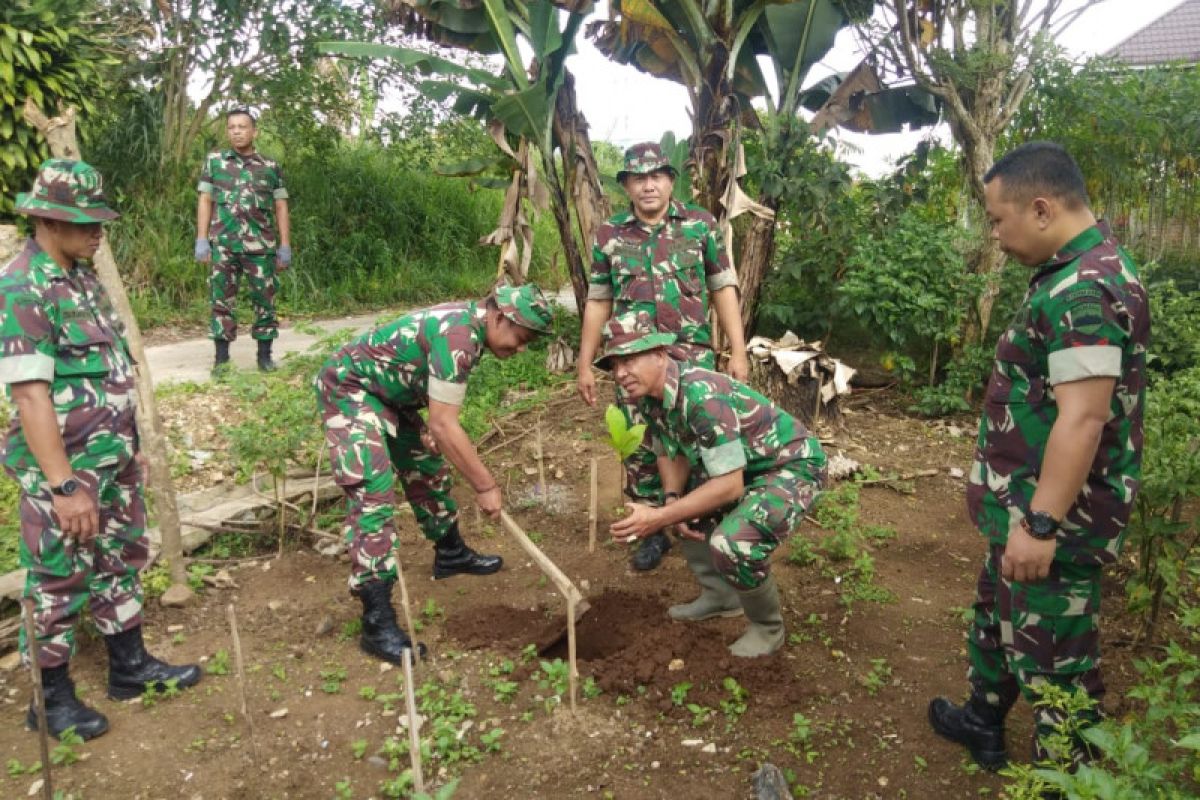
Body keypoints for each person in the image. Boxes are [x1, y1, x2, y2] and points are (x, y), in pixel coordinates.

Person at [928, 142, 1151, 770]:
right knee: (997, 618)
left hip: (1056, 519)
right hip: (1022, 506)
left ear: (1044, 208)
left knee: (1058, 660)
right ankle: (984, 720)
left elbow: (1083, 419)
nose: (995, 235)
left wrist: (1043, 523)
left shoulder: (1087, 290)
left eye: (1000, 220)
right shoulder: (1068, 273)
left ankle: (1065, 778)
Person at [0, 160, 201, 741]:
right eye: (85, 222)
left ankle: (129, 667)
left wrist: (128, 450)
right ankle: (51, 699)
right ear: (47, 219)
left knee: (121, 561)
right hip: (64, 473)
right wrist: (64, 487)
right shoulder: (22, 287)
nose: (98, 232)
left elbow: (108, 374)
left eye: (100, 221)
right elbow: (33, 399)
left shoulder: (82, 278)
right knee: (58, 579)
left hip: (110, 463)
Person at [314, 284, 554, 663]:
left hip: (393, 395)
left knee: (426, 470)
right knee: (373, 496)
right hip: (351, 389)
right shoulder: (459, 335)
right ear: (498, 317)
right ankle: (376, 622)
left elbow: (428, 384)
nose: (521, 348)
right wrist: (485, 485)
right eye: (521, 337)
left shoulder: (471, 331)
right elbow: (446, 425)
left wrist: (428, 423)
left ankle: (451, 553)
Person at [598, 313, 825, 656]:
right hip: (746, 466)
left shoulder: (701, 395)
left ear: (660, 354)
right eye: (614, 364)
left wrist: (660, 517)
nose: (620, 373)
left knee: (733, 542)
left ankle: (767, 628)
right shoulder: (649, 396)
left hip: (791, 466)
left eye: (629, 359)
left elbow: (729, 487)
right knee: (684, 508)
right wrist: (672, 501)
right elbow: (669, 451)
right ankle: (721, 597)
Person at [577, 141, 750, 572]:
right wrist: (585, 361)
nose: (648, 185)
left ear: (671, 180)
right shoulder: (609, 236)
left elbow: (722, 287)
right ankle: (649, 530)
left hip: (691, 360)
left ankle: (706, 525)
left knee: (701, 440)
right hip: (632, 362)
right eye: (639, 178)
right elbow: (598, 301)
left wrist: (738, 351)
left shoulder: (700, 226)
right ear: (627, 186)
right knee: (640, 446)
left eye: (656, 176)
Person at [195, 107, 291, 374]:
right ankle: (221, 361)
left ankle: (264, 357)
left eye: (242, 127)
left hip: (260, 248)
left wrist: (285, 245)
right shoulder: (215, 162)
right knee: (221, 302)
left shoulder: (270, 167)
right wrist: (201, 239)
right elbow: (205, 199)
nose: (236, 132)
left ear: (254, 131)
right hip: (224, 245)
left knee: (265, 302)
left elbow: (281, 206)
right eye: (231, 127)